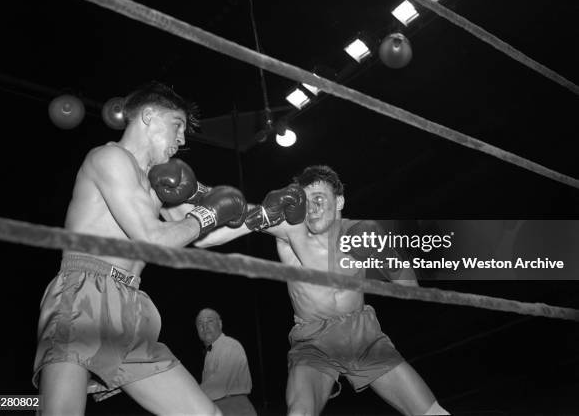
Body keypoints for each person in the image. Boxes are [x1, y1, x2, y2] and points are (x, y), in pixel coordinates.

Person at [33, 82, 247, 415]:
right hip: (84, 295)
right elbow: (154, 237)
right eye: (177, 125)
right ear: (148, 116)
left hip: (131, 306)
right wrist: (208, 213)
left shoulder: (156, 182)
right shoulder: (109, 158)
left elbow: (201, 235)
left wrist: (263, 218)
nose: (183, 140)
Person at [196, 165, 449, 416]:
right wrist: (195, 199)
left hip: (364, 336)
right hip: (313, 341)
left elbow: (406, 281)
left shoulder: (361, 233)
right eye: (306, 202)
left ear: (339, 201)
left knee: (432, 412)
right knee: (299, 413)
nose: (312, 208)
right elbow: (229, 217)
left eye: (319, 199)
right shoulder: (290, 229)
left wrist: (398, 270)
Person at [195, 308, 258, 416]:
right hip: (218, 407)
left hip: (234, 407)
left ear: (220, 324)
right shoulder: (211, 352)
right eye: (200, 324)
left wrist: (188, 393)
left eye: (209, 321)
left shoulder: (229, 345)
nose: (204, 327)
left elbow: (219, 385)